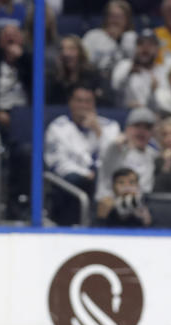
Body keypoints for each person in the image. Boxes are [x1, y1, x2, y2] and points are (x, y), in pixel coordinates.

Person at [45, 84, 121, 225]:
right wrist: (85, 174)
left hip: (105, 181)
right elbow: (57, 163)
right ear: (70, 103)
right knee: (76, 181)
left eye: (88, 101)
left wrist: (98, 131)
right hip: (72, 181)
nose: (84, 106)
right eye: (79, 101)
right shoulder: (58, 127)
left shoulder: (110, 126)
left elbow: (114, 159)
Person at [95, 106, 158, 204]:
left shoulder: (153, 155)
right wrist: (118, 142)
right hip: (109, 208)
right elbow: (111, 149)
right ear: (127, 128)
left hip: (139, 207)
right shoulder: (116, 150)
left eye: (147, 127)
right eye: (137, 126)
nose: (142, 131)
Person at [82, 1, 137, 79]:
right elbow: (84, 62)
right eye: (112, 16)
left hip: (123, 81)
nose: (115, 20)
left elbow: (135, 63)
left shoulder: (132, 38)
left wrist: (119, 39)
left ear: (127, 19)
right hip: (96, 78)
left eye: (119, 17)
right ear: (106, 17)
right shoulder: (93, 36)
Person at [111, 28, 161, 109]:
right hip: (126, 112)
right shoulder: (124, 65)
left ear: (157, 49)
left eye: (150, 44)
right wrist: (128, 74)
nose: (145, 48)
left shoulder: (163, 71)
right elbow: (115, 89)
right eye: (141, 44)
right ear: (135, 47)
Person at [153, 115, 171, 191]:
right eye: (165, 134)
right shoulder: (158, 162)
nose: (169, 139)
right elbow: (158, 194)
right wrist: (167, 165)